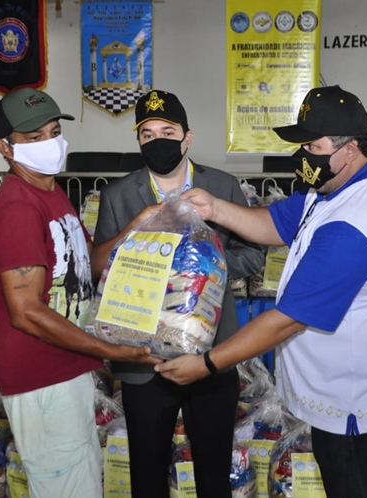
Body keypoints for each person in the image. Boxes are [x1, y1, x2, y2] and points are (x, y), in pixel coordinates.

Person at [156, 85, 367, 498]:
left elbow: (286, 321)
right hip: (336, 381)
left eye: (313, 146)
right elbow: (277, 224)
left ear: (349, 149)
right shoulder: (338, 183)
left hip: (354, 400)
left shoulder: (356, 224)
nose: (303, 156)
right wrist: (215, 208)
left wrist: (207, 364)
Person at [0, 88, 161, 498]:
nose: (50, 143)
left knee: (82, 482)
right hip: (41, 380)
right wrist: (112, 351)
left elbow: (86, 264)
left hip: (66, 368)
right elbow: (26, 311)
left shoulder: (51, 192)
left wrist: (136, 227)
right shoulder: (18, 207)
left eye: (54, 132)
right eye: (34, 137)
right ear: (5, 147)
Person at [92, 89, 264, 498]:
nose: (158, 141)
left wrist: (201, 269)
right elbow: (99, 267)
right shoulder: (118, 195)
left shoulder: (221, 186)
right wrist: (137, 236)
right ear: (138, 141)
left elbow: (253, 254)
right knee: (148, 473)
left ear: (187, 137)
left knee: (214, 472)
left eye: (167, 132)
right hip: (142, 358)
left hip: (212, 353)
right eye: (147, 134)